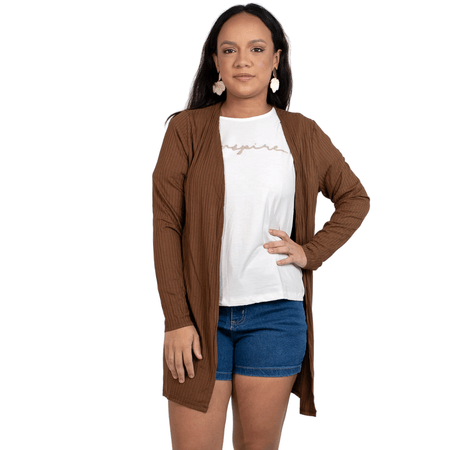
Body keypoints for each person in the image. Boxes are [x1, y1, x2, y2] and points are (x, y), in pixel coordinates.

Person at [152, 3, 370, 449]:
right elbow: (167, 225)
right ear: (215, 61)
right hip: (198, 319)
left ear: (275, 59)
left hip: (276, 315)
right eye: (229, 49)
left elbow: (354, 198)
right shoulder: (186, 130)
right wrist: (177, 319)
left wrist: (310, 252)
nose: (242, 61)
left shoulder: (301, 132)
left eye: (256, 49)